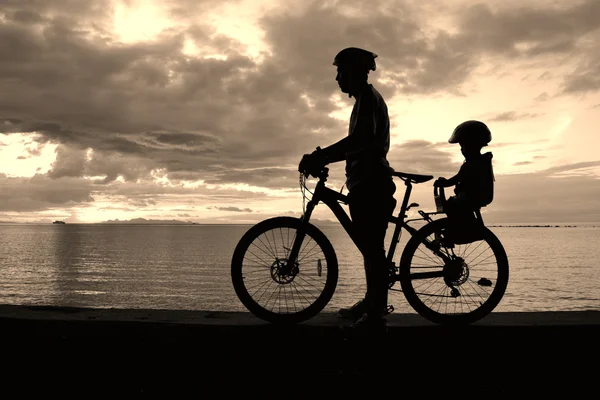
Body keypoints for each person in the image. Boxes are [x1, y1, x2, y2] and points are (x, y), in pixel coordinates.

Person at [298, 47, 396, 335]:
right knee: (370, 248)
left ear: (353, 71)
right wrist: (325, 156)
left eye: (340, 71)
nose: (337, 78)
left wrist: (322, 156)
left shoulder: (368, 99)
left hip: (371, 183)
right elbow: (357, 141)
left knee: (372, 249)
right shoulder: (365, 100)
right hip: (364, 181)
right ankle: (371, 302)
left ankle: (376, 317)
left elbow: (360, 140)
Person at [434, 120, 495, 243]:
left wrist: (445, 183)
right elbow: (460, 177)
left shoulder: (474, 163)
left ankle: (461, 232)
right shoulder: (480, 161)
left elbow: (458, 178)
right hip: (475, 195)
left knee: (452, 205)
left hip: (473, 196)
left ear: (473, 145)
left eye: (463, 146)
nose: (462, 150)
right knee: (454, 205)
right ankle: (462, 229)